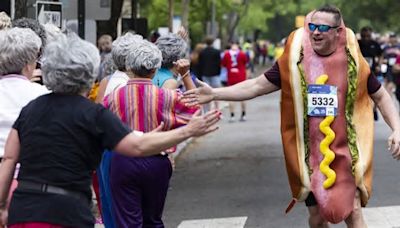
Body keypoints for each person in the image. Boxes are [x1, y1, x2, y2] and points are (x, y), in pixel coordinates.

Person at [183, 5, 400, 228]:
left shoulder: (352, 60)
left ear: (338, 32)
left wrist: (397, 128)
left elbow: (381, 96)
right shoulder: (294, 60)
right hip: (309, 156)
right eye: (312, 27)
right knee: (317, 218)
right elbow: (256, 86)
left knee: (353, 212)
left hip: (347, 152)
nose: (315, 32)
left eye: (323, 28)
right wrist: (214, 93)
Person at [0, 33, 220, 228]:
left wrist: (2, 206)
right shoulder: (92, 114)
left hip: (25, 207)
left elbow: (9, 158)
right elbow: (136, 145)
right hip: (67, 210)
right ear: (88, 73)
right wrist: (187, 131)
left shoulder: (31, 109)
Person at [105, 38, 205, 228]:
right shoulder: (168, 97)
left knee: (127, 222)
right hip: (157, 160)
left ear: (129, 67)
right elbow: (195, 111)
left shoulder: (113, 97)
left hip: (122, 160)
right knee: (153, 220)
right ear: (155, 69)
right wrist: (185, 76)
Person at [358, 26, 383, 121]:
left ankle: (374, 110)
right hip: (360, 71)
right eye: (363, 36)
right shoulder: (358, 43)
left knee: (375, 92)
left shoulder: (375, 44)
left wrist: (379, 65)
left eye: (368, 36)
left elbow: (381, 54)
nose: (366, 38)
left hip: (372, 71)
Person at [221, 42, 248, 122]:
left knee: (231, 97)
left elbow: (223, 65)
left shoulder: (226, 54)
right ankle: (243, 114)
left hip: (231, 77)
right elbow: (245, 63)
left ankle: (232, 116)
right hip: (241, 76)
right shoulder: (242, 54)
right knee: (243, 96)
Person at [199, 36, 221, 112]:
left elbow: (200, 64)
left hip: (205, 73)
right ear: (213, 42)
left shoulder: (202, 52)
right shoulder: (217, 51)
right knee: (216, 92)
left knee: (206, 93)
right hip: (215, 74)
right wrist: (218, 72)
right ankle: (217, 109)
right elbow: (219, 63)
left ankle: (206, 111)